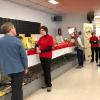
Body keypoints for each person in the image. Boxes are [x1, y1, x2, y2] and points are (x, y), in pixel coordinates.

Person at [0, 22, 28, 100]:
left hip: (8, 70)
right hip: (18, 69)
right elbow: (24, 57)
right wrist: (26, 67)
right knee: (18, 89)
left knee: (14, 87)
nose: (15, 29)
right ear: (11, 29)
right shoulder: (17, 41)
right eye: (14, 28)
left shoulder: (0, 41)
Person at [35, 26, 53, 92]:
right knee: (44, 70)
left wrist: (41, 51)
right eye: (40, 30)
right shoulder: (41, 38)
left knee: (47, 70)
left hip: (47, 56)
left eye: (42, 30)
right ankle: (46, 83)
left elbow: (50, 48)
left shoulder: (50, 37)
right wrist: (37, 48)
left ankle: (49, 85)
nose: (41, 31)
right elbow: (36, 44)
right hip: (41, 56)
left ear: (46, 31)